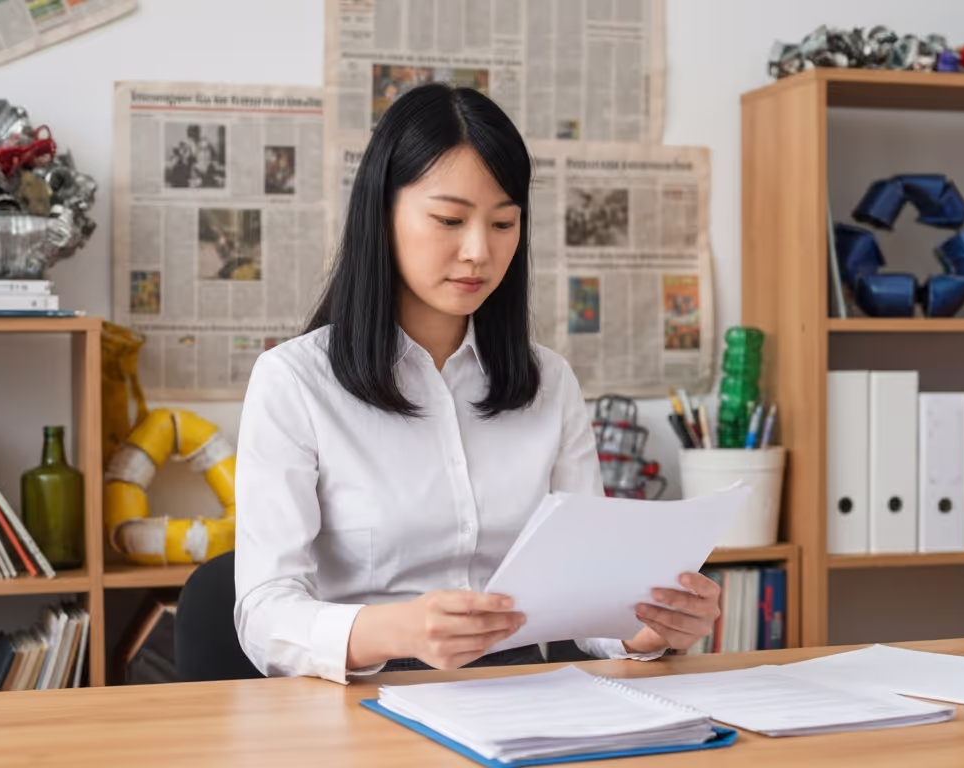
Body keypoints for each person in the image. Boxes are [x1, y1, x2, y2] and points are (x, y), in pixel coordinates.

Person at [233, 83, 721, 684]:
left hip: (519, 693)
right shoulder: (294, 381)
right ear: (381, 213)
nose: (478, 252)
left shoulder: (549, 382)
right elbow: (263, 612)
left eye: (503, 223)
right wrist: (399, 629)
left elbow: (588, 597)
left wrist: (649, 627)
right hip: (360, 694)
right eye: (449, 219)